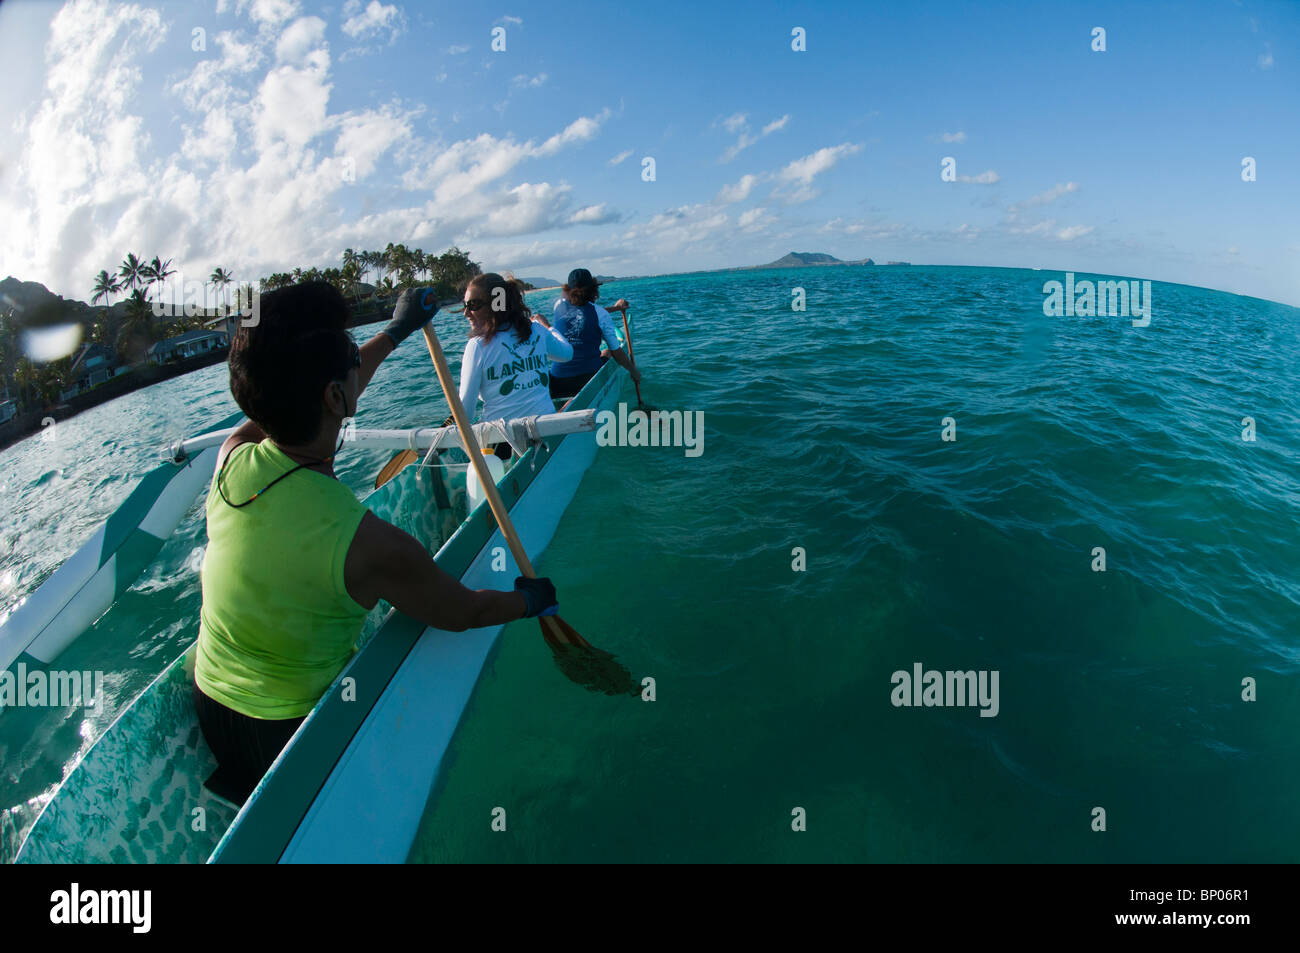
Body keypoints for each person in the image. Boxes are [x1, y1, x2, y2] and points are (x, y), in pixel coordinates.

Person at [193, 280, 558, 804]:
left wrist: (397, 331)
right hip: (288, 736)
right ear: (336, 396)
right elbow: (462, 612)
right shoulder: (367, 543)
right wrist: (529, 600)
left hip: (212, 709)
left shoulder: (232, 460)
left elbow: (286, 394)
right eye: (349, 364)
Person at [457, 272, 574, 458]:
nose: (466, 313)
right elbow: (567, 354)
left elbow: (464, 414)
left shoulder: (477, 346)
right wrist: (548, 328)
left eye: (473, 305)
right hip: (547, 434)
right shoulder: (536, 330)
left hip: (500, 446)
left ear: (496, 304)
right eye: (465, 305)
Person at [544, 268, 640, 399]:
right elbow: (617, 352)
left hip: (557, 383)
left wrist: (616, 308)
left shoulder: (558, 305)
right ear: (593, 290)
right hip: (586, 381)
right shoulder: (600, 314)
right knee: (607, 351)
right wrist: (633, 370)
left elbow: (582, 312)